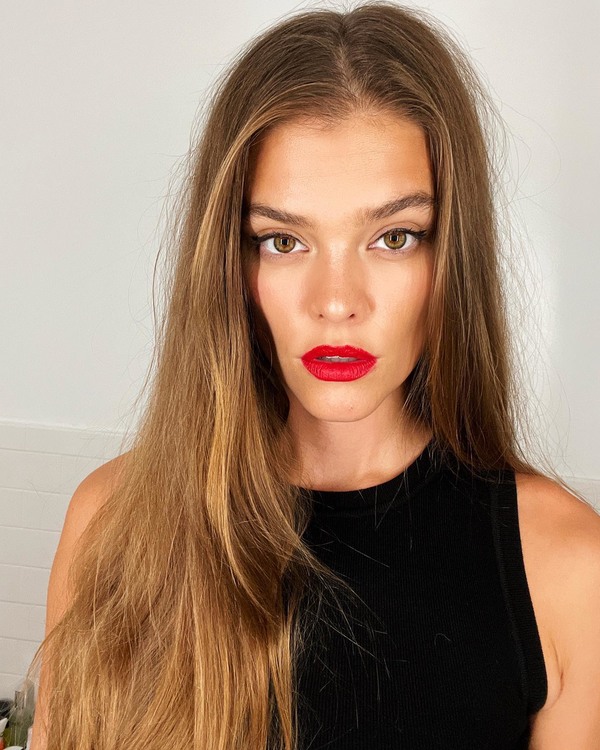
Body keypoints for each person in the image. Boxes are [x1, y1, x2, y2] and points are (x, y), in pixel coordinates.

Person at [28, 2, 600, 749]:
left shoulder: (566, 566)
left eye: (394, 237)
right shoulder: (114, 521)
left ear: (450, 256)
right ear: (230, 264)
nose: (336, 302)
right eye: (283, 241)